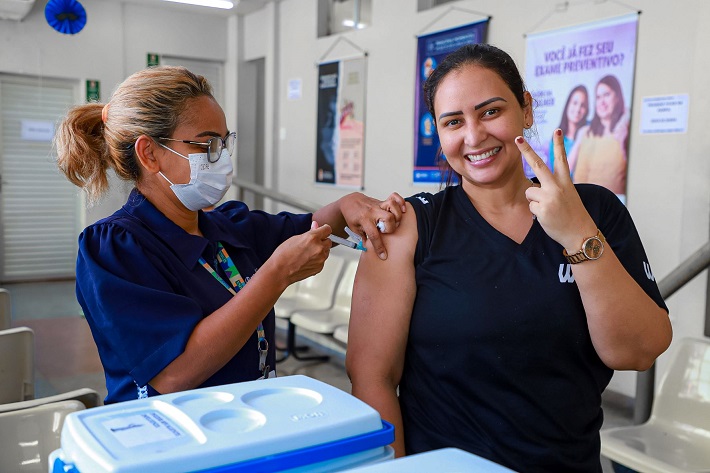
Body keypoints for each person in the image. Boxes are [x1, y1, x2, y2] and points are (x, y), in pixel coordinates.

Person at [346, 44, 671, 472]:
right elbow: (372, 377)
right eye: (453, 122)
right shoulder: (410, 227)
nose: (474, 135)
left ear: (526, 109)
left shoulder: (594, 210)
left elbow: (638, 351)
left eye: (490, 111)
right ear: (439, 135)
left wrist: (576, 232)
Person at [54, 66, 405, 404]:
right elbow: (175, 375)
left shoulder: (229, 227)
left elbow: (315, 226)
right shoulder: (116, 250)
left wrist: (348, 206)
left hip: (245, 417)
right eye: (206, 146)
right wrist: (276, 275)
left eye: (224, 143)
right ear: (150, 154)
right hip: (171, 435)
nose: (222, 161)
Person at [568, 75, 630, 196]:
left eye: (606, 95)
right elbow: (565, 170)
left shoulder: (623, 131)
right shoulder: (585, 132)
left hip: (612, 207)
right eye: (598, 97)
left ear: (617, 97)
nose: (602, 102)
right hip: (580, 205)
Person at [548, 84, 588, 173]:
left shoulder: (590, 129)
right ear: (568, 104)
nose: (578, 109)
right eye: (575, 103)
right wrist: (578, 141)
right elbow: (560, 176)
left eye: (582, 105)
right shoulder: (556, 139)